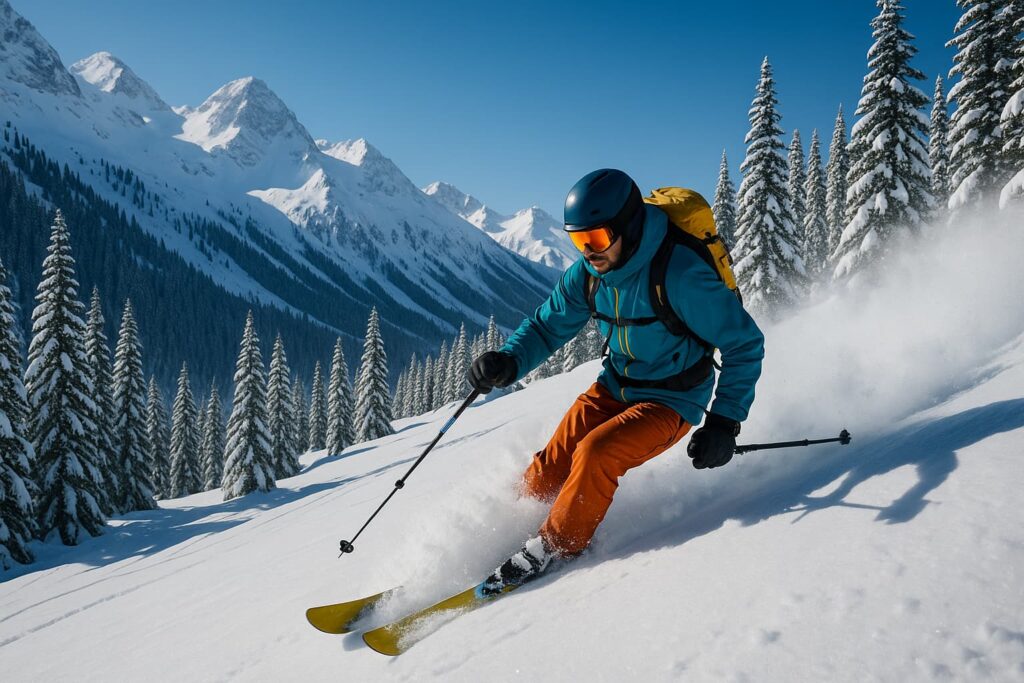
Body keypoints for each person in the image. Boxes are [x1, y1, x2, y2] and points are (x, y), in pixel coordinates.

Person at [468, 168, 765, 596]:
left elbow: (745, 344)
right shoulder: (589, 275)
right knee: (547, 469)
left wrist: (723, 422)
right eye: (577, 240)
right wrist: (509, 361)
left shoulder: (679, 274)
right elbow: (547, 326)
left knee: (595, 453)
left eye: (596, 240)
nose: (587, 252)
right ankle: (509, 531)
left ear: (628, 226)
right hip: (615, 385)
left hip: (672, 399)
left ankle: (553, 548)